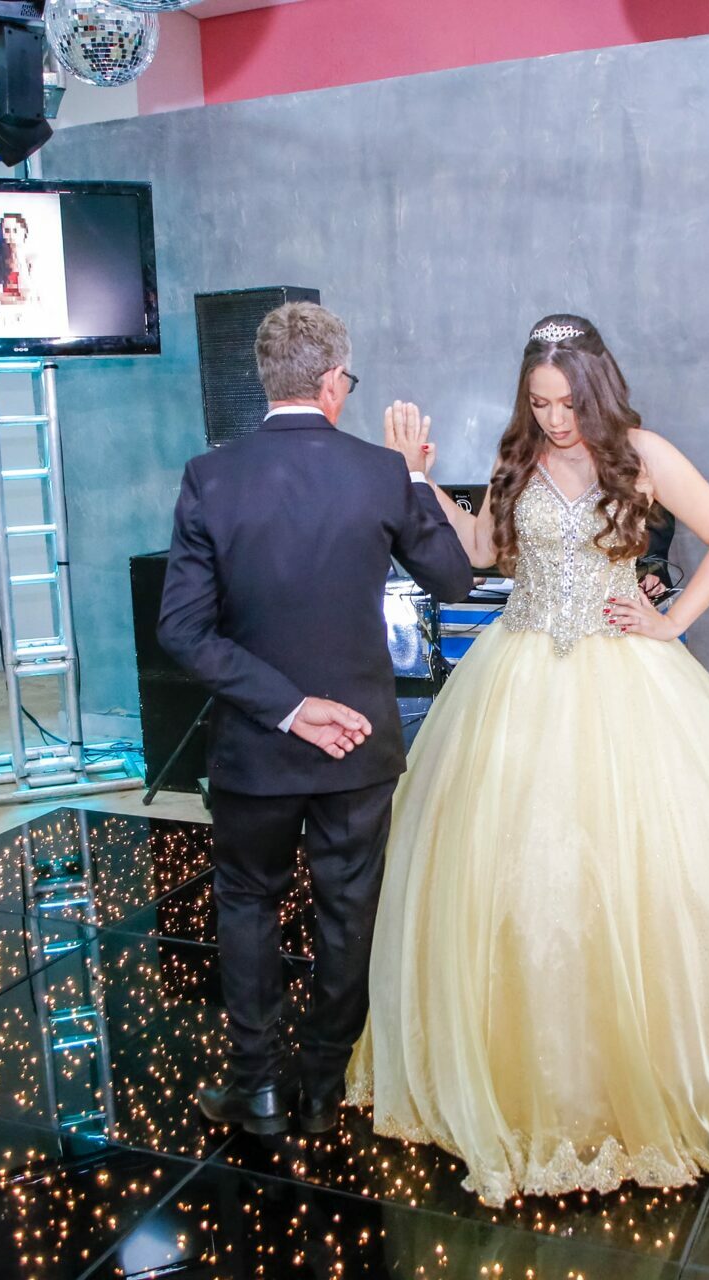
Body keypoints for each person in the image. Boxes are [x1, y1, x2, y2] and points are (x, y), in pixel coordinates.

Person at [349, 315, 709, 1205]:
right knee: (519, 880)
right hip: (517, 676)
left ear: (595, 389)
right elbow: (481, 553)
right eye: (538, 402)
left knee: (648, 872)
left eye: (566, 402)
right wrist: (418, 479)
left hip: (625, 680)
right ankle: (534, 1072)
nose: (554, 418)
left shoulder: (642, 455)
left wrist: (671, 622)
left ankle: (670, 1068)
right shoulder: (517, 457)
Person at [157, 301, 475, 1137]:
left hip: (254, 744)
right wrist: (416, 478)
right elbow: (453, 579)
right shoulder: (380, 473)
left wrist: (288, 708)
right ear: (334, 381)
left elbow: (181, 631)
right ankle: (325, 1087)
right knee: (349, 908)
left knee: (246, 903)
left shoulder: (210, 477)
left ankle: (257, 1088)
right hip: (359, 744)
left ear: (269, 379)